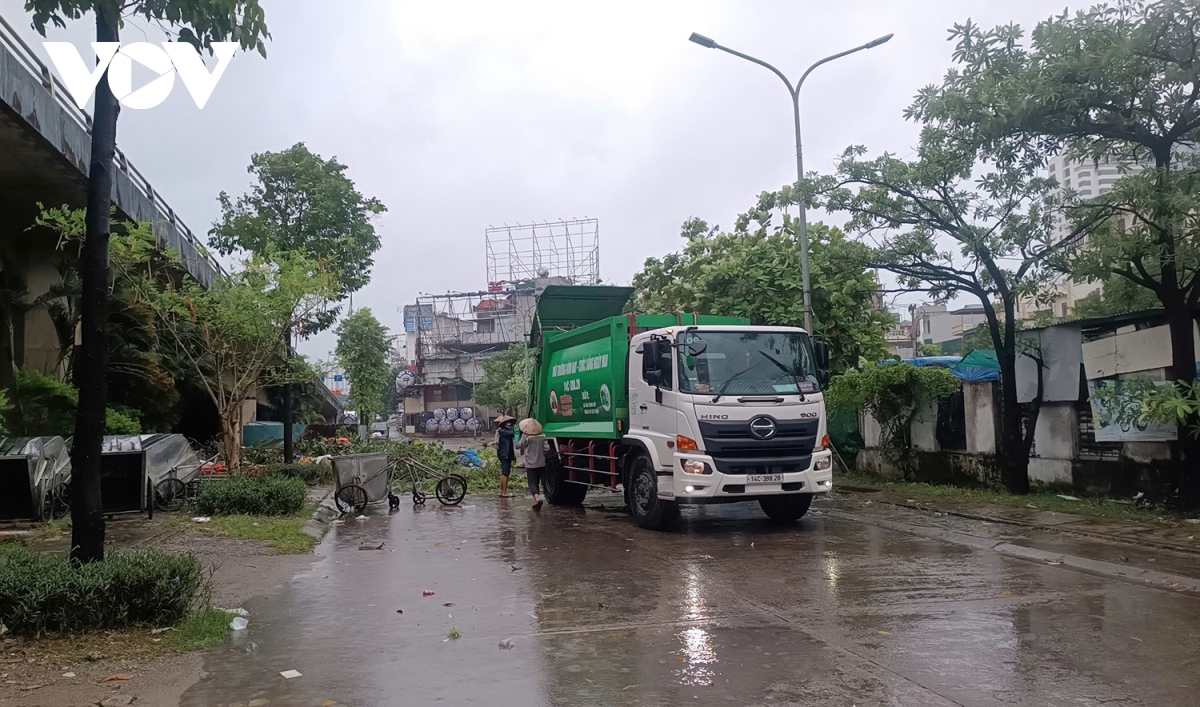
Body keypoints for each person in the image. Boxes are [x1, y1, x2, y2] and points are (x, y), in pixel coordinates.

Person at [516, 417, 546, 511]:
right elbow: (547, 448)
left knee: (532, 483)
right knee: (537, 482)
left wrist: (515, 440)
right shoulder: (542, 436)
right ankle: (536, 502)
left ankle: (537, 499)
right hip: (541, 463)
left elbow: (519, 445)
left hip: (530, 463)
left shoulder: (526, 436)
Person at [494, 415, 517, 498]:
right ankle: (504, 492)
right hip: (505, 455)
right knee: (506, 473)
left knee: (504, 473)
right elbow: (512, 434)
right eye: (509, 423)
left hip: (504, 454)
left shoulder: (501, 431)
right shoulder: (504, 431)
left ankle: (501, 491)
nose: (510, 424)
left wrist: (514, 456)